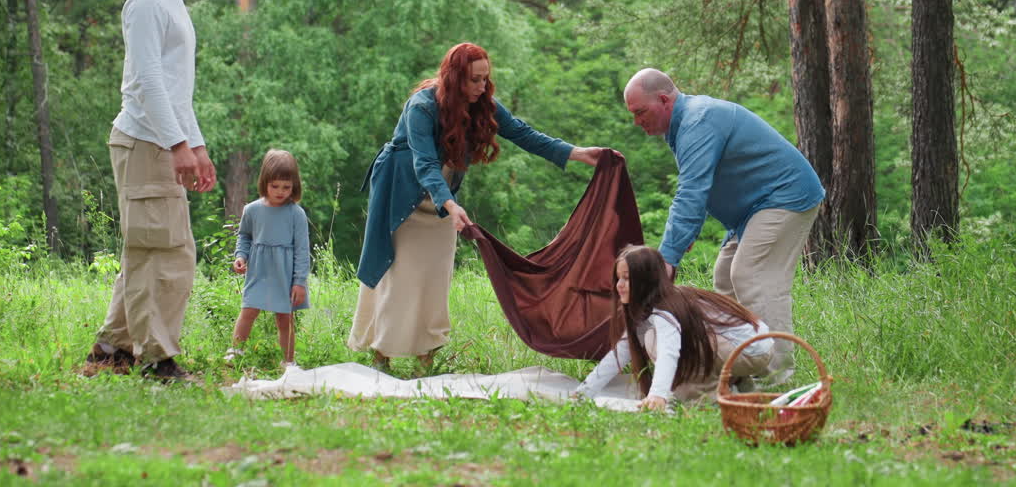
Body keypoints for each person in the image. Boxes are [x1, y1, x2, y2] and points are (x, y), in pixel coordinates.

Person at [348, 42, 605, 372]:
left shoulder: (482, 104)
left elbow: (523, 133)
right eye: (474, 80)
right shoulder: (421, 107)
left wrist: (576, 153)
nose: (482, 87)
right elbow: (425, 163)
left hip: (443, 199)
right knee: (399, 275)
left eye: (485, 79)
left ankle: (426, 357)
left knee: (435, 275)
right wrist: (451, 205)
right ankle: (382, 354)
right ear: (455, 78)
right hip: (402, 192)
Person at [622, 68, 823, 382]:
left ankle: (776, 378)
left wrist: (668, 258)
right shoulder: (684, 126)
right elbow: (703, 184)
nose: (636, 121)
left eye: (640, 112)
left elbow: (691, 191)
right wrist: (688, 231)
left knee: (753, 275)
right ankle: (738, 370)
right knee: (724, 279)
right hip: (750, 211)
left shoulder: (698, 121)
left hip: (785, 195)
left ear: (663, 100)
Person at [84, 0, 215, 381]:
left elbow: (178, 89)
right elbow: (147, 82)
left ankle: (111, 349)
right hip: (144, 141)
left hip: (163, 141)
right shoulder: (145, 4)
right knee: (162, 253)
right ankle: (156, 360)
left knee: (152, 247)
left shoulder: (172, 3)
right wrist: (178, 144)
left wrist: (195, 146)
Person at [573, 245, 773, 409]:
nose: (619, 285)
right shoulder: (647, 310)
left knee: (655, 342)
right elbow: (620, 354)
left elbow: (669, 352)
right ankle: (736, 384)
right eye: (618, 278)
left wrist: (657, 395)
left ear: (644, 280)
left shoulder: (664, 310)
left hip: (751, 351)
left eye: (626, 278)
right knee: (675, 378)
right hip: (746, 349)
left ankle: (711, 398)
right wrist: (582, 393)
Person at [224, 149, 310, 367]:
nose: (280, 192)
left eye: (286, 187)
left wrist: (299, 282)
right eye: (275, 186)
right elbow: (244, 236)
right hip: (259, 270)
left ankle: (288, 362)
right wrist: (241, 256)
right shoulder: (251, 210)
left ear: (295, 186)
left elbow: (302, 249)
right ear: (264, 183)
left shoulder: (296, 214)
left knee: (284, 318)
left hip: (285, 273)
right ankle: (236, 352)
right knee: (248, 309)